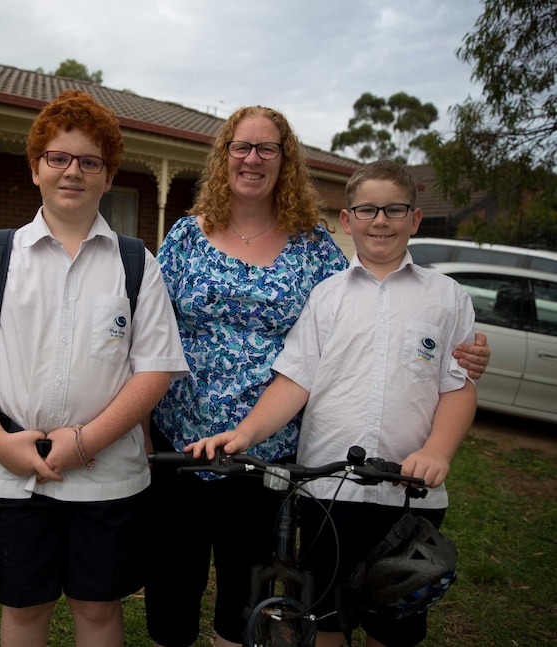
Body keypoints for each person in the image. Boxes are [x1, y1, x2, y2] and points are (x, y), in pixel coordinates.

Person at [143, 108, 491, 647]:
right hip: (182, 436)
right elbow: (150, 325)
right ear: (223, 156)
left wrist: (462, 358)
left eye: (268, 149)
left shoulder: (316, 251)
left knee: (248, 591)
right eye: (241, 147)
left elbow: (372, 317)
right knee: (173, 584)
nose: (253, 158)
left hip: (269, 452)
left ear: (286, 162)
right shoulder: (187, 235)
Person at [0, 89, 188, 647]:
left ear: (108, 174)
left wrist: (86, 441)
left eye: (89, 161)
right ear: (35, 169)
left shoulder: (136, 262)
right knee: (24, 610)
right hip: (16, 476)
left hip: (107, 477)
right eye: (59, 158)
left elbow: (155, 370)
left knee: (97, 611)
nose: (73, 171)